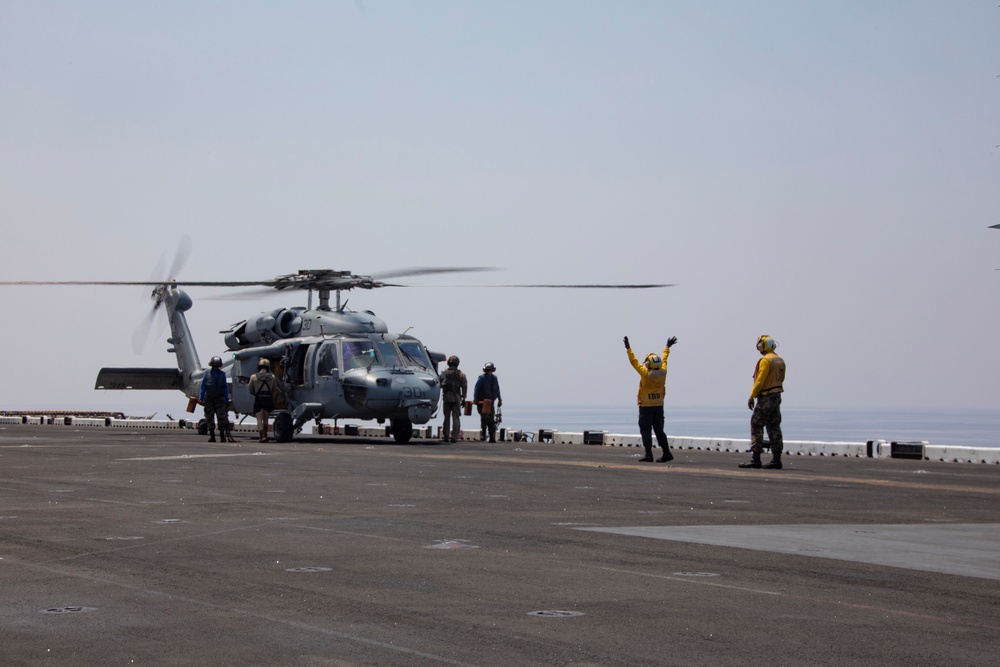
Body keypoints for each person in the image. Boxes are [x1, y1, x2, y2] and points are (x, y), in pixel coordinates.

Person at [624, 335, 678, 462]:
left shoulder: (645, 373)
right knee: (660, 431)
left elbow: (634, 362)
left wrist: (628, 349)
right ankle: (666, 453)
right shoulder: (663, 372)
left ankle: (648, 454)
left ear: (649, 363)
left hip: (646, 407)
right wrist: (667, 347)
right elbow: (665, 360)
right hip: (659, 406)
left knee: (645, 430)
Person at [740, 335, 786, 470]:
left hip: (765, 396)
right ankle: (776, 459)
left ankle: (755, 458)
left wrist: (752, 396)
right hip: (776, 396)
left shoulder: (765, 361)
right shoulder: (779, 359)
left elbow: (760, 380)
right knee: (774, 426)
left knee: (756, 424)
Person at [198, 356, 234, 443]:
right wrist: (200, 397)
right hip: (209, 398)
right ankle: (212, 436)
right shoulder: (207, 373)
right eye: (215, 365)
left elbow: (225, 387)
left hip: (220, 399)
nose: (216, 367)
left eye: (217, 365)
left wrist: (226, 399)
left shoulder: (222, 374)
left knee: (221, 418)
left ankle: (222, 437)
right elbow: (203, 386)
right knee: (209, 418)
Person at [249, 358, 283, 443]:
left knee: (259, 419)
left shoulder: (253, 377)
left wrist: (256, 394)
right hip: (268, 398)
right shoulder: (272, 377)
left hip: (259, 398)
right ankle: (266, 435)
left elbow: (250, 390)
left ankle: (261, 436)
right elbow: (274, 389)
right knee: (266, 419)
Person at [439, 355, 468, 443]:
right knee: (456, 418)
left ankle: (446, 436)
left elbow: (440, 385)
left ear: (448, 363)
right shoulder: (461, 374)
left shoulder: (444, 373)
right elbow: (464, 387)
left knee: (446, 418)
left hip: (447, 398)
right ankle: (454, 436)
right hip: (456, 399)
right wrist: (463, 398)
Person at [474, 362, 502, 442]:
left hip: (490, 402)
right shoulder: (481, 378)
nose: (489, 372)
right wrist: (475, 399)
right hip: (482, 402)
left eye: (490, 370)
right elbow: (476, 389)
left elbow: (497, 390)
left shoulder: (494, 378)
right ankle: (483, 434)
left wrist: (499, 399)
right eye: (487, 370)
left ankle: (491, 436)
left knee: (491, 420)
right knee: (484, 418)